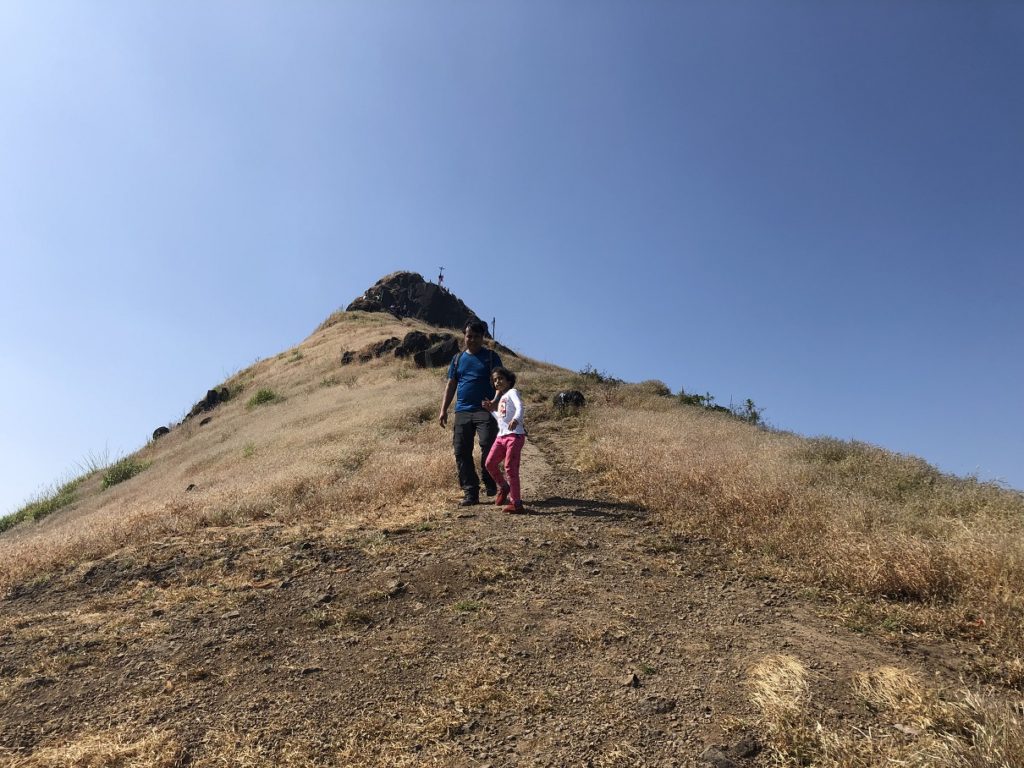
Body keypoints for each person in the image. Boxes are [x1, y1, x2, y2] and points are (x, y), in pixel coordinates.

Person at [438, 320, 502, 506]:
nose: (472, 340)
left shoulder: (491, 357)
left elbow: (501, 383)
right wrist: (443, 410)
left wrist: (495, 402)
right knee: (461, 452)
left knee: (488, 444)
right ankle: (470, 492)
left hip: (486, 411)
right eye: (468, 336)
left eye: (476, 336)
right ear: (464, 337)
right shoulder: (457, 359)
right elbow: (451, 385)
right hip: (462, 412)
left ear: (482, 338)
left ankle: (489, 478)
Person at [483, 367, 526, 513]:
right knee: (489, 463)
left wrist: (516, 419)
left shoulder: (512, 393)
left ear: (509, 380)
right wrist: (491, 410)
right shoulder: (502, 398)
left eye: (500, 378)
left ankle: (517, 503)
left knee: (510, 468)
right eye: (495, 380)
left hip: (515, 436)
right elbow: (501, 418)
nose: (497, 381)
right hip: (501, 436)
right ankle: (503, 486)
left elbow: (520, 406)